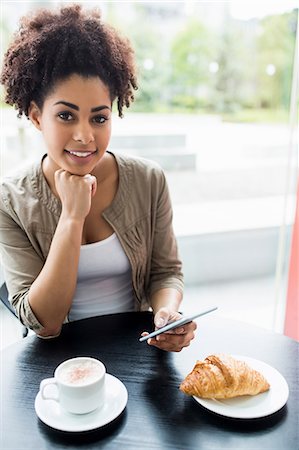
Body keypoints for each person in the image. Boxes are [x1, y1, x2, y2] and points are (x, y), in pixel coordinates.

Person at [0, 4, 196, 351]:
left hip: (137, 348)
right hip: (56, 363)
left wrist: (167, 314)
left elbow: (166, 272)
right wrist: (72, 216)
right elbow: (43, 322)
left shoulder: (148, 180)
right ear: (35, 116)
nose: (85, 136)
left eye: (99, 118)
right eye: (65, 115)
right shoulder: (10, 201)